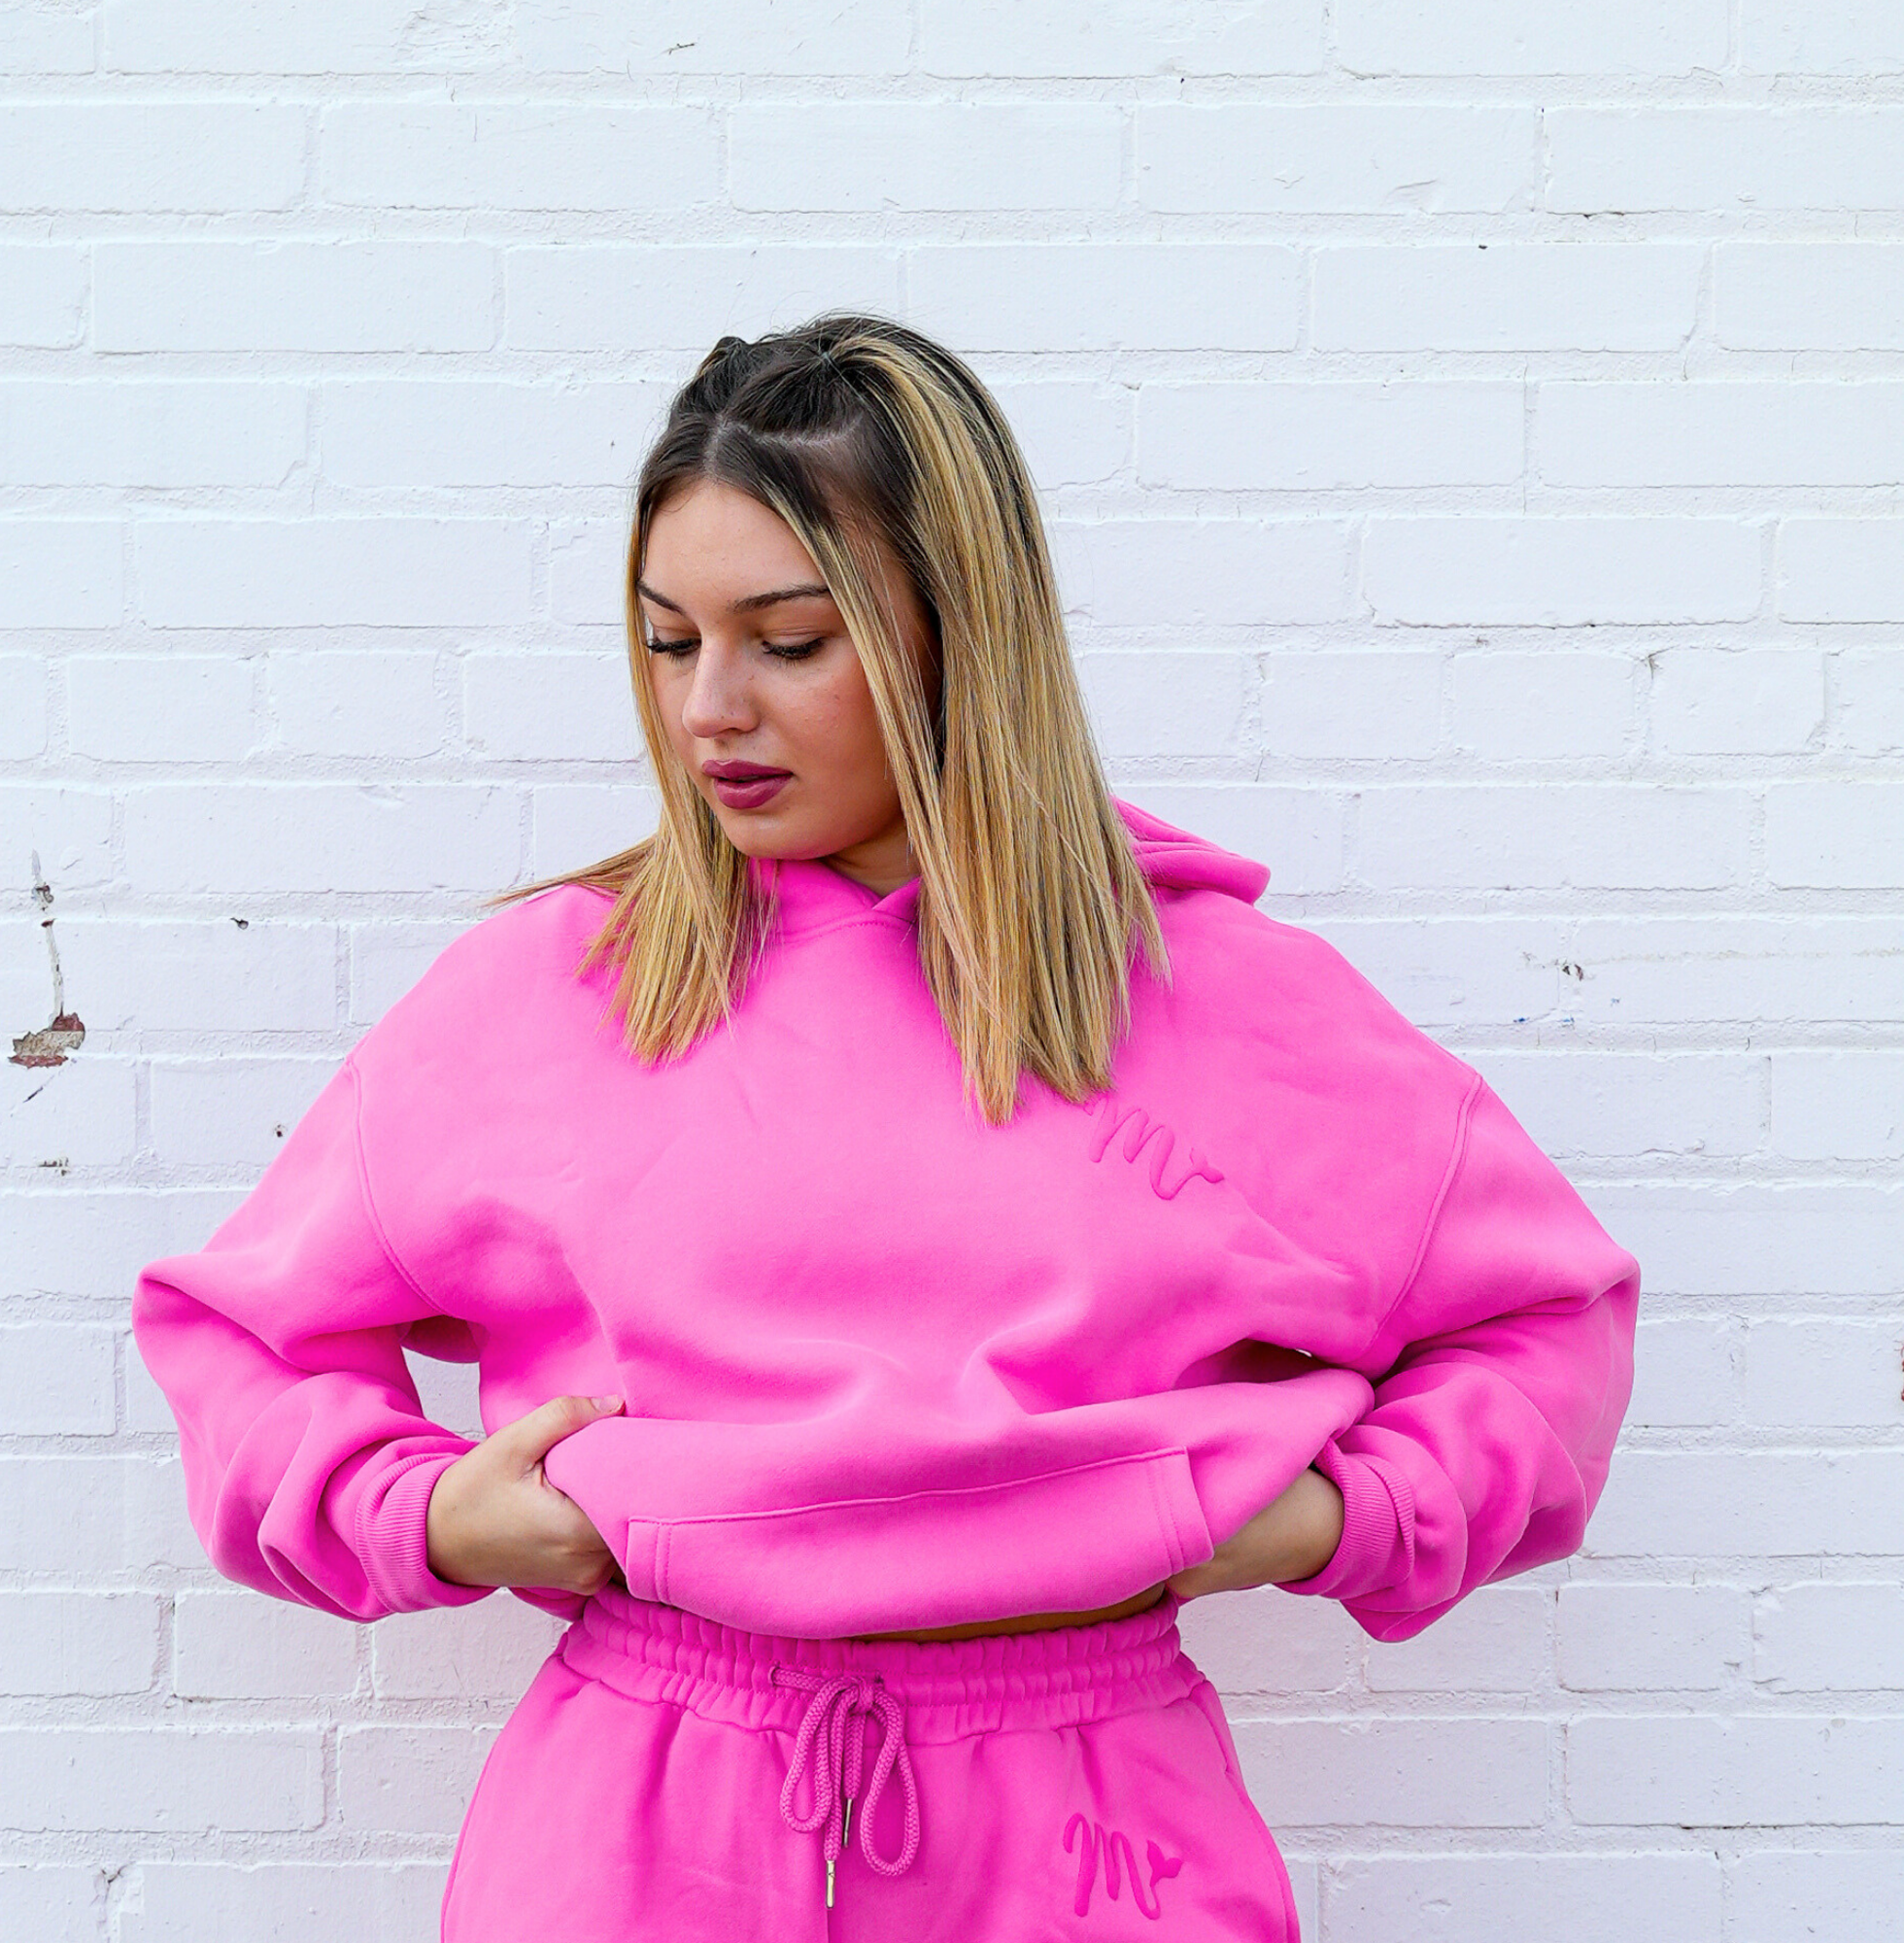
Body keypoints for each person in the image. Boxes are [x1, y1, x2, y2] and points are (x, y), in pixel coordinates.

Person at [133, 315, 1640, 1942]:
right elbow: (241, 1336)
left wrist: (1342, 1515)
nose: (711, 707)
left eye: (788, 640)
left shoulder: (1220, 1003)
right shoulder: (555, 992)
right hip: (638, 1817)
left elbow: (1548, 1320)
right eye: (666, 641)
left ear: (956, 638)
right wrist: (425, 1510)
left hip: (1089, 1819)